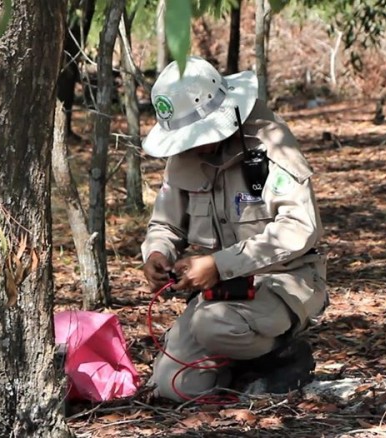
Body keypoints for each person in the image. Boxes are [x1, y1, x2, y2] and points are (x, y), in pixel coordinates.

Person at [140, 56, 328, 402]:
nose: (194, 146)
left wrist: (219, 264)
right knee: (174, 387)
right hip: (223, 293)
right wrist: (157, 252)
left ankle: (283, 356)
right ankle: (242, 364)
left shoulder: (268, 142)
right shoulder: (183, 159)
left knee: (212, 325)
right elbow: (165, 224)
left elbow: (300, 227)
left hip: (285, 279)